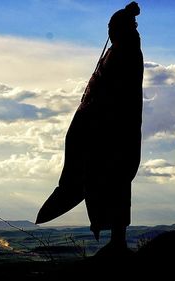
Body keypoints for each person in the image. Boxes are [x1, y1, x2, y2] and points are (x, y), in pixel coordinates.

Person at [36, 2, 143, 254]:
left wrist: (96, 121)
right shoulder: (118, 52)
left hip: (115, 133)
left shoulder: (126, 53)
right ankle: (116, 241)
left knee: (115, 183)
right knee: (106, 182)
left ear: (121, 28)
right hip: (106, 132)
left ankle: (118, 242)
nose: (109, 31)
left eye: (112, 27)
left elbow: (114, 95)